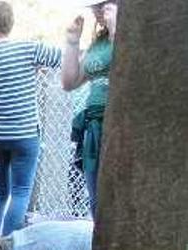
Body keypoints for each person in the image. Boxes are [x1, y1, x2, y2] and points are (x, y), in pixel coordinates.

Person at [0, 1, 61, 236]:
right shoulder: (26, 48)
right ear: (11, 23)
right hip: (23, 134)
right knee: (20, 192)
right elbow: (60, 58)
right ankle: (8, 245)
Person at [62, 1, 118, 217]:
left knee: (112, 195)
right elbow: (69, 82)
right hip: (94, 127)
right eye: (95, 8)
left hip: (118, 126)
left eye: (103, 6)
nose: (98, 12)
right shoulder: (99, 43)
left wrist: (116, 30)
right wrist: (73, 42)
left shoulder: (133, 38)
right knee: (96, 198)